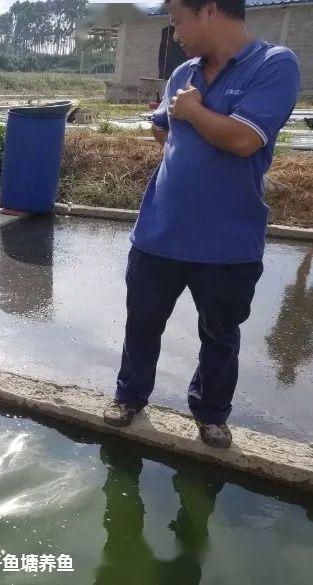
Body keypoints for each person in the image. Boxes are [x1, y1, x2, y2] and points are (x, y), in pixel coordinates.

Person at [104, 0, 301, 448]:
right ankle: (129, 397)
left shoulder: (273, 64)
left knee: (219, 333)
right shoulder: (183, 73)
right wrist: (187, 129)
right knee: (142, 323)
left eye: (177, 21)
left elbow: (244, 140)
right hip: (160, 231)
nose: (175, 33)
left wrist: (194, 114)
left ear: (209, 10)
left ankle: (211, 413)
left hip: (226, 241)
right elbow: (161, 129)